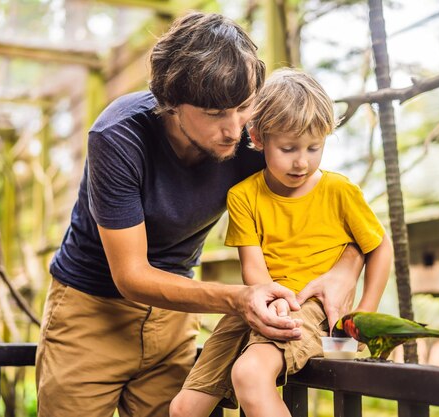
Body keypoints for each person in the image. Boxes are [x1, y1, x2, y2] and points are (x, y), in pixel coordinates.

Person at [35, 12, 364, 417]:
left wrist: (346, 269)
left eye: (243, 107)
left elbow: (335, 207)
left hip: (176, 314)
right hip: (90, 312)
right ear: (170, 103)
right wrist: (239, 299)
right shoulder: (118, 137)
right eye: (214, 114)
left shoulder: (255, 135)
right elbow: (131, 275)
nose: (234, 129)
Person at [169, 68, 393, 417]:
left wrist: (361, 316)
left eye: (314, 147)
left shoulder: (340, 191)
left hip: (308, 306)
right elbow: (253, 268)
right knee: (184, 408)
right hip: (258, 302)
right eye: (288, 148)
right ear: (258, 138)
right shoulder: (243, 196)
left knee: (250, 374)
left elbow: (379, 246)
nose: (302, 161)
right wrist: (267, 301)